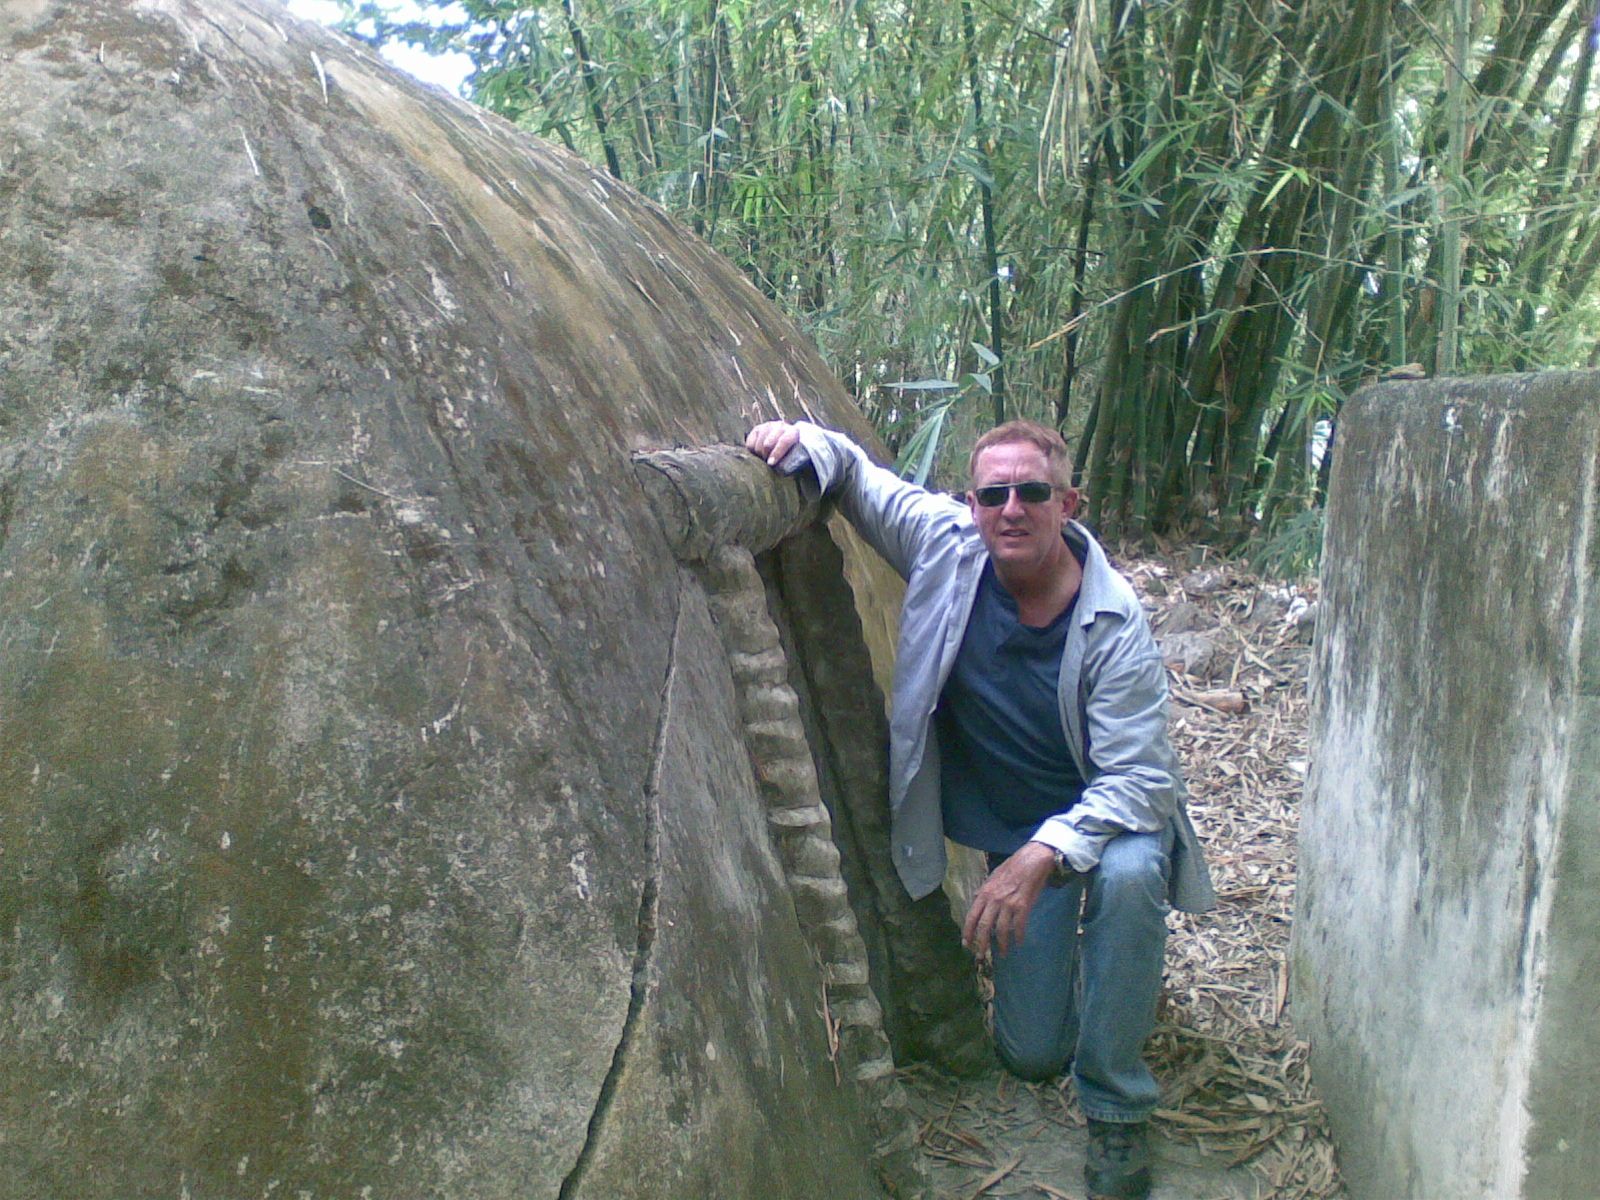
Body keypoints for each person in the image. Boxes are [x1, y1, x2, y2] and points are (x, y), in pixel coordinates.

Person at [745, 418, 1214, 1200]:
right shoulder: (949, 546)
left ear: (1069, 503)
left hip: (1104, 824)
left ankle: (1118, 1104)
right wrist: (802, 441)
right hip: (1020, 840)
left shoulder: (1113, 619)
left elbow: (1139, 780)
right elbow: (864, 481)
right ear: (971, 504)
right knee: (1029, 1055)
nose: (1011, 509)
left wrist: (1040, 855)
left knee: (1132, 876)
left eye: (1032, 491)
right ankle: (1096, 990)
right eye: (993, 494)